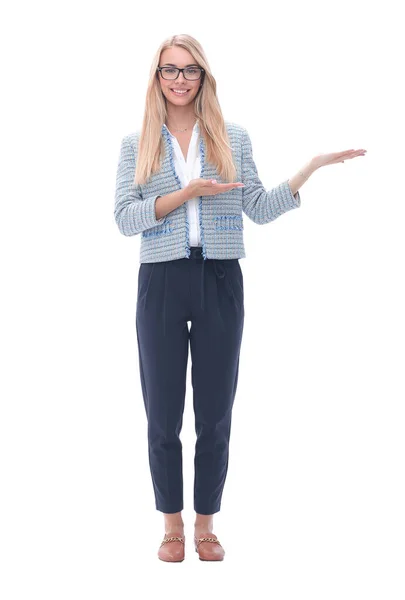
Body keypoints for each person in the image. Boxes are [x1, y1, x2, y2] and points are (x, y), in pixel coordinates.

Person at [114, 34, 367, 562]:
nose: (179, 79)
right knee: (161, 413)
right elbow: (123, 218)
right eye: (169, 70)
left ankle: (205, 523)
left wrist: (308, 171)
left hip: (221, 279)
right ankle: (170, 524)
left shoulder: (232, 138)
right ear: (156, 77)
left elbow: (257, 206)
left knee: (215, 411)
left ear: (204, 78)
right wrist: (185, 195)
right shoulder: (137, 144)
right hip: (160, 281)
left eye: (189, 71)